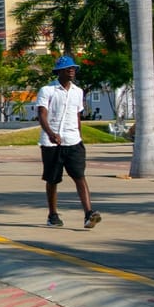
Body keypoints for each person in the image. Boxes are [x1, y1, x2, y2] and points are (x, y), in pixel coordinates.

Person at [37, 56, 101, 229]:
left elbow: (77, 116)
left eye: (73, 68)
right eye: (68, 68)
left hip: (73, 141)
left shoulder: (78, 92)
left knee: (79, 176)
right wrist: (50, 133)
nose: (72, 71)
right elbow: (42, 114)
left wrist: (80, 138)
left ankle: (89, 214)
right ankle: (52, 215)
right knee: (52, 180)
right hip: (52, 143)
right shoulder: (47, 90)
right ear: (59, 71)